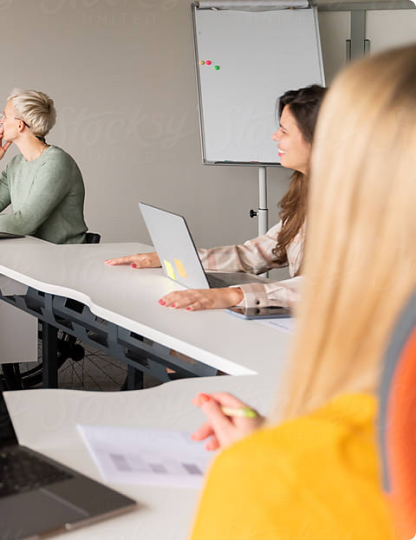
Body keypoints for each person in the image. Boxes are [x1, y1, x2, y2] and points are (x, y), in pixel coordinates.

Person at [188, 45, 416, 539]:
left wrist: (272, 457)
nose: (274, 137)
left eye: (285, 129)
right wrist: (187, 259)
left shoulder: (269, 479)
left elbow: (333, 282)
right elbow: (261, 252)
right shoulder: (304, 194)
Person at [105, 85, 326, 311]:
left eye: (284, 131)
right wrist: (175, 259)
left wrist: (234, 295)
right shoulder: (309, 194)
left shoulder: (357, 207)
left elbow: (333, 287)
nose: (274, 136)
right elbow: (255, 254)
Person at [0, 89, 87, 245]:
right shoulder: (16, 164)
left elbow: (23, 225)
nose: (1, 121)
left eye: (5, 116)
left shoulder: (56, 163)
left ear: (20, 124)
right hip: (31, 253)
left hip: (62, 257)